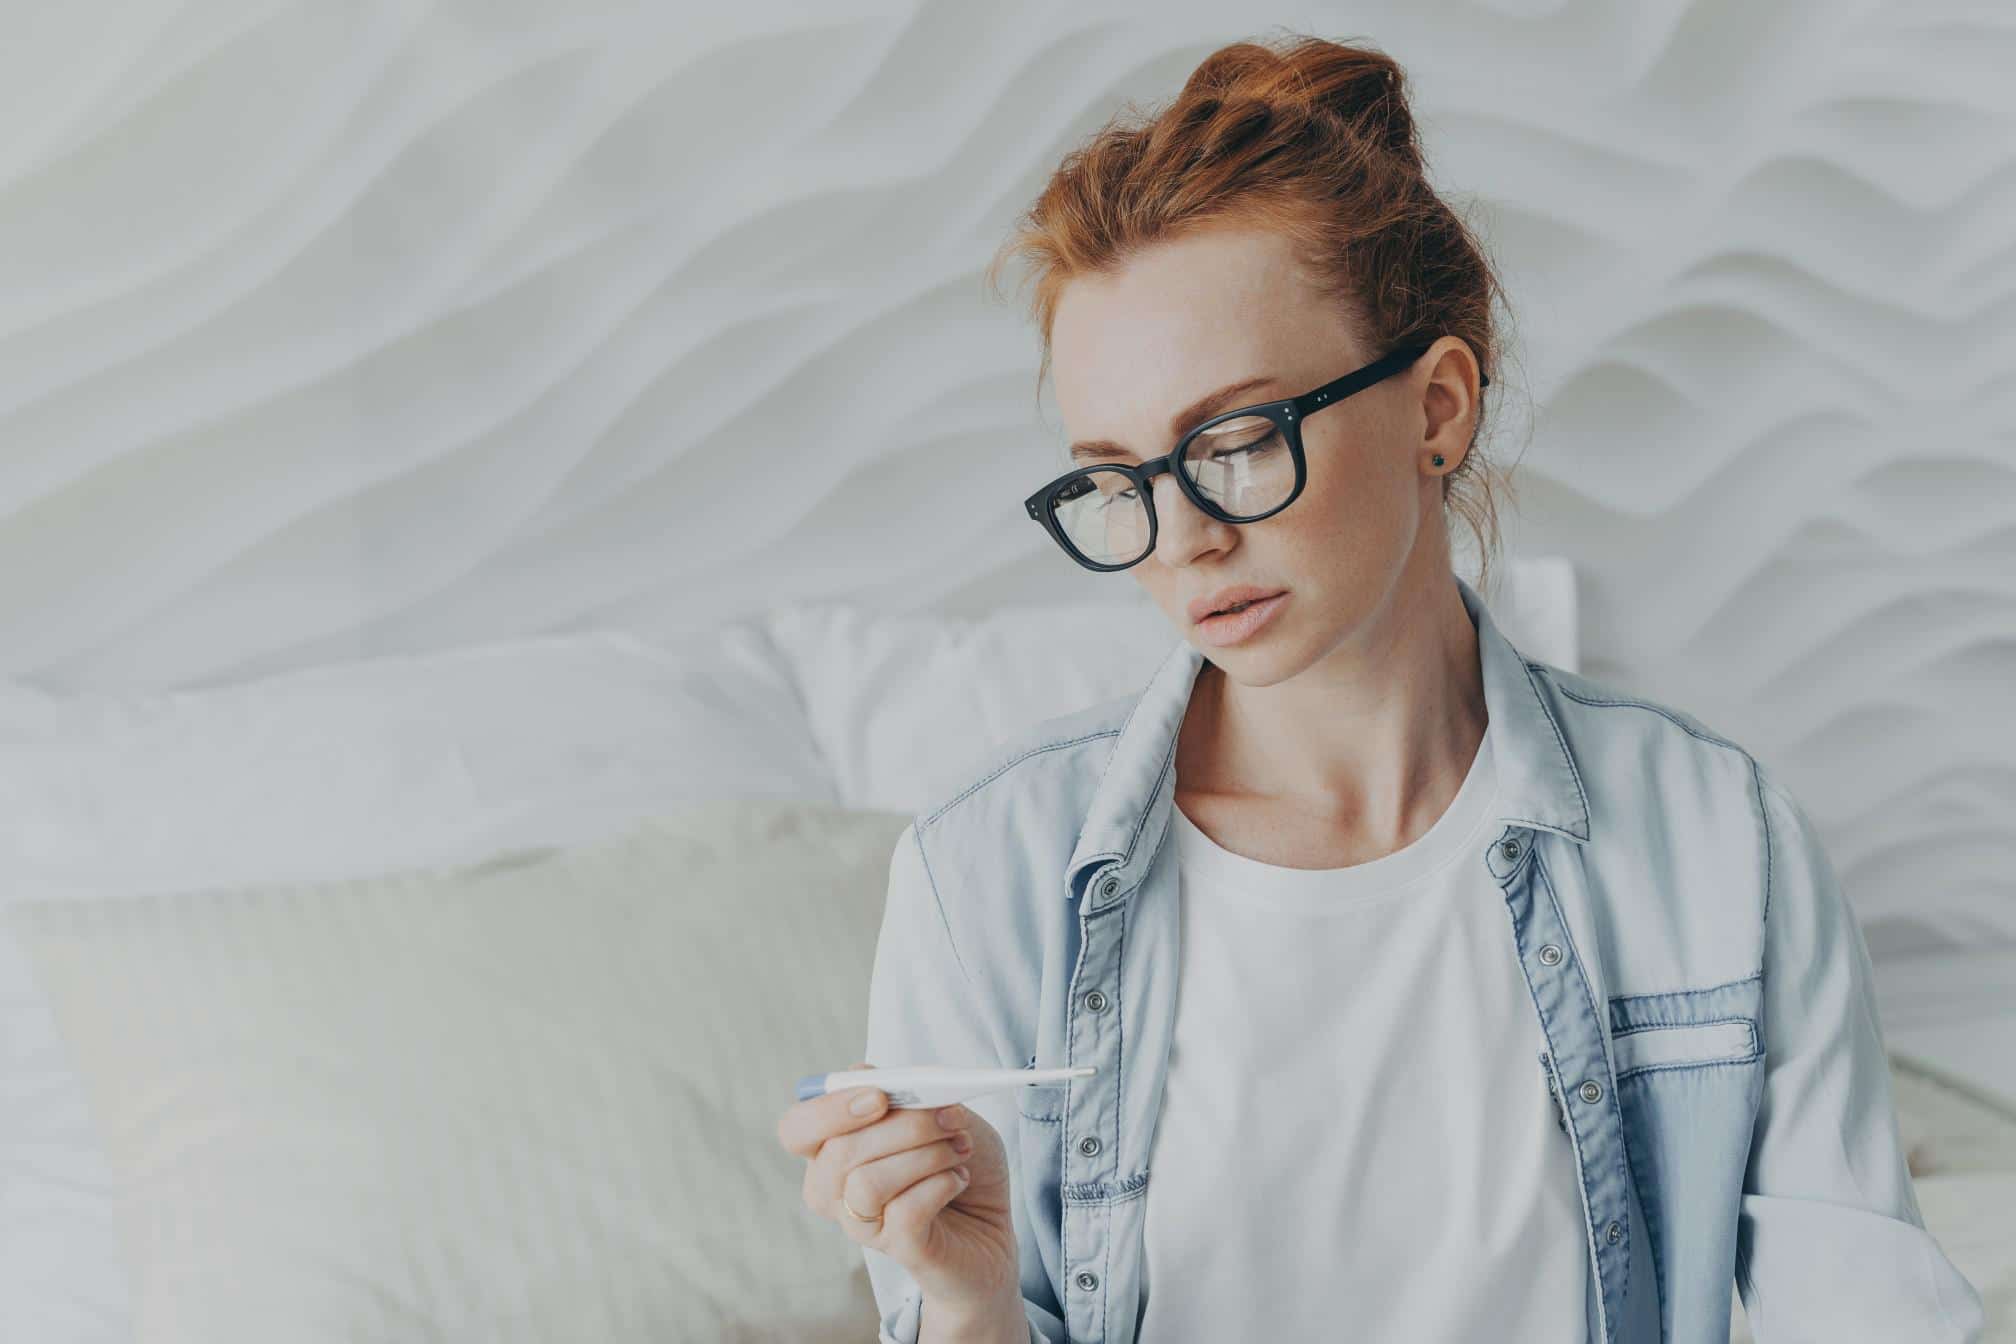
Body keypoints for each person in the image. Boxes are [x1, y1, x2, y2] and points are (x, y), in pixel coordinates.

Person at [775, 30, 1986, 1344]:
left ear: (1439, 409)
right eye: (1118, 479)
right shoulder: (985, 878)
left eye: (1234, 443)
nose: (1181, 536)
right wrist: (962, 1301)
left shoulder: (1712, 840)